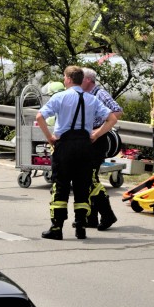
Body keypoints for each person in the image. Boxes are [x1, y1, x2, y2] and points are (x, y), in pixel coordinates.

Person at [34, 65, 117, 240]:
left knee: (60, 186)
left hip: (64, 145)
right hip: (85, 146)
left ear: (69, 79)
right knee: (82, 187)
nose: (64, 80)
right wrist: (96, 134)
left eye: (65, 77)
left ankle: (56, 228)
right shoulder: (92, 99)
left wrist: (49, 137)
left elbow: (40, 116)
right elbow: (112, 118)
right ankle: (81, 227)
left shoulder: (60, 97)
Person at [81, 67, 123, 230]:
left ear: (89, 80)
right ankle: (91, 217)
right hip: (87, 141)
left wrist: (99, 132)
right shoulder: (85, 94)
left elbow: (117, 111)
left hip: (97, 141)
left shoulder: (100, 94)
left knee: (91, 179)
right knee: (86, 180)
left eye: (82, 78)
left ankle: (107, 215)